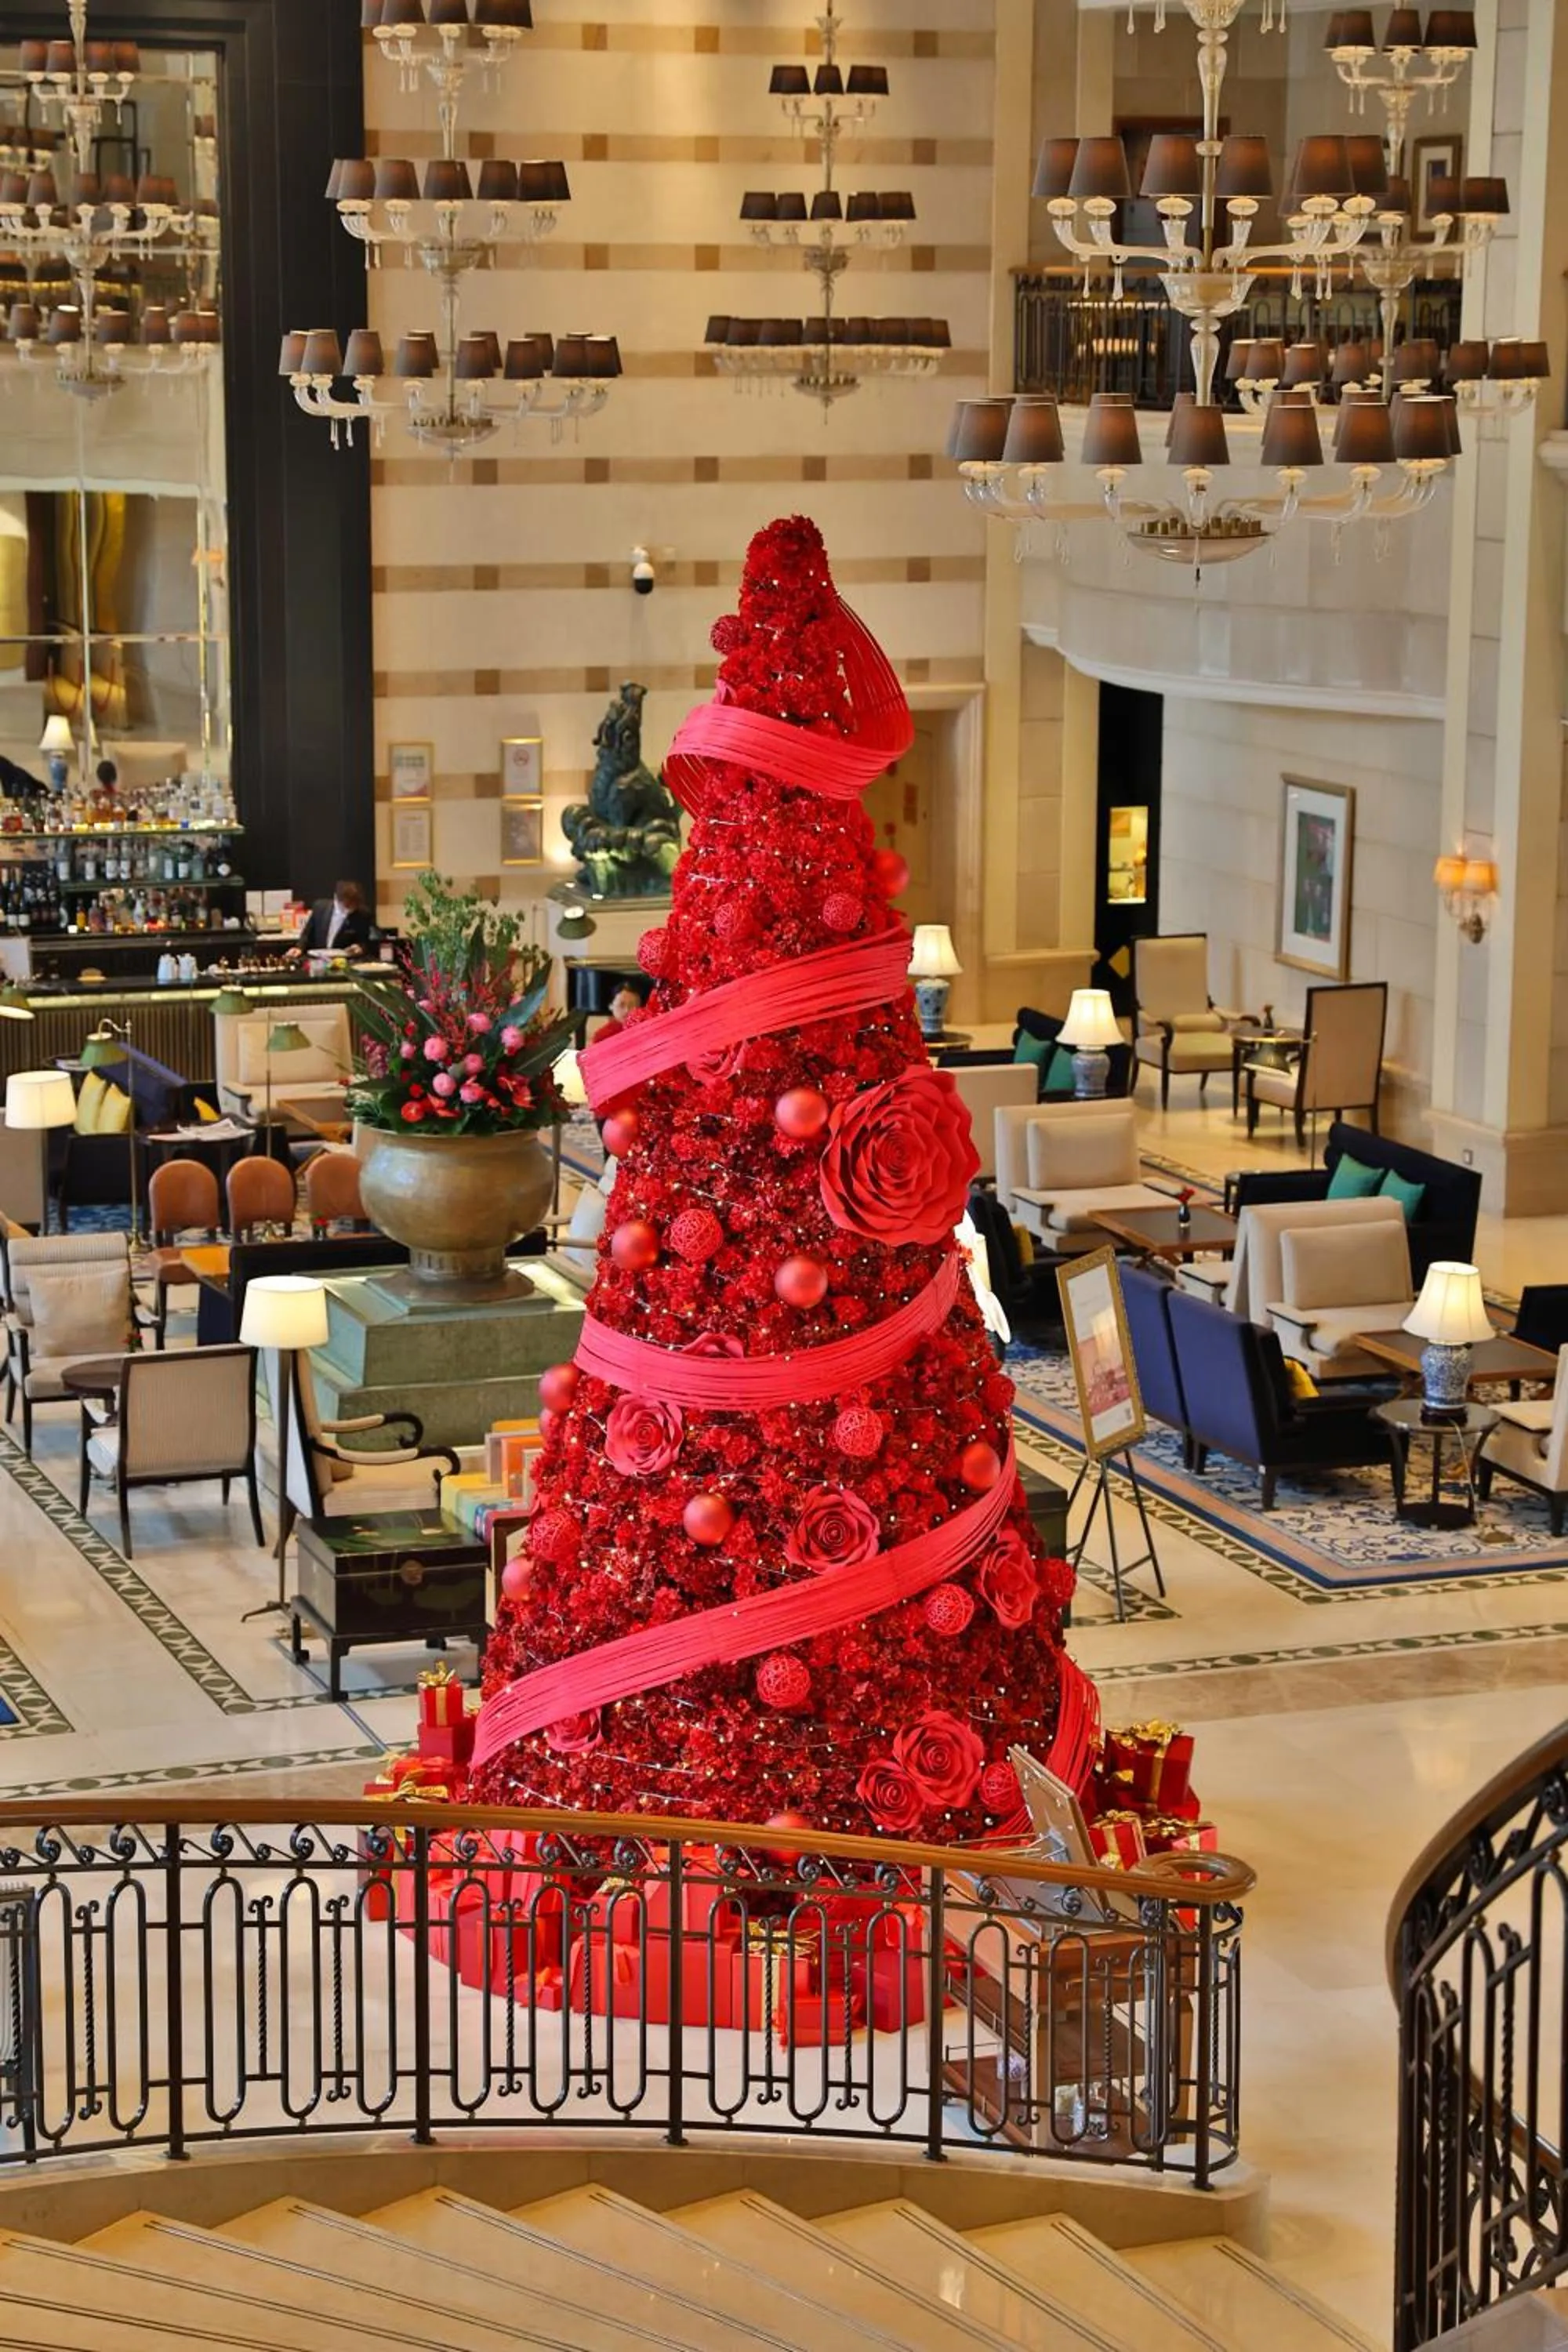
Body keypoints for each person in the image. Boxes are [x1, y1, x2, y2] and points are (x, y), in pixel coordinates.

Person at [291, 880, 372, 960]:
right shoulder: (320, 908)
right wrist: (299, 948)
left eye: (353, 907)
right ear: (336, 898)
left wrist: (359, 948)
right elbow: (307, 934)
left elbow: (364, 942)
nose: (349, 910)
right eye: (346, 906)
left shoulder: (363, 914)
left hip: (345, 962)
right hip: (318, 960)